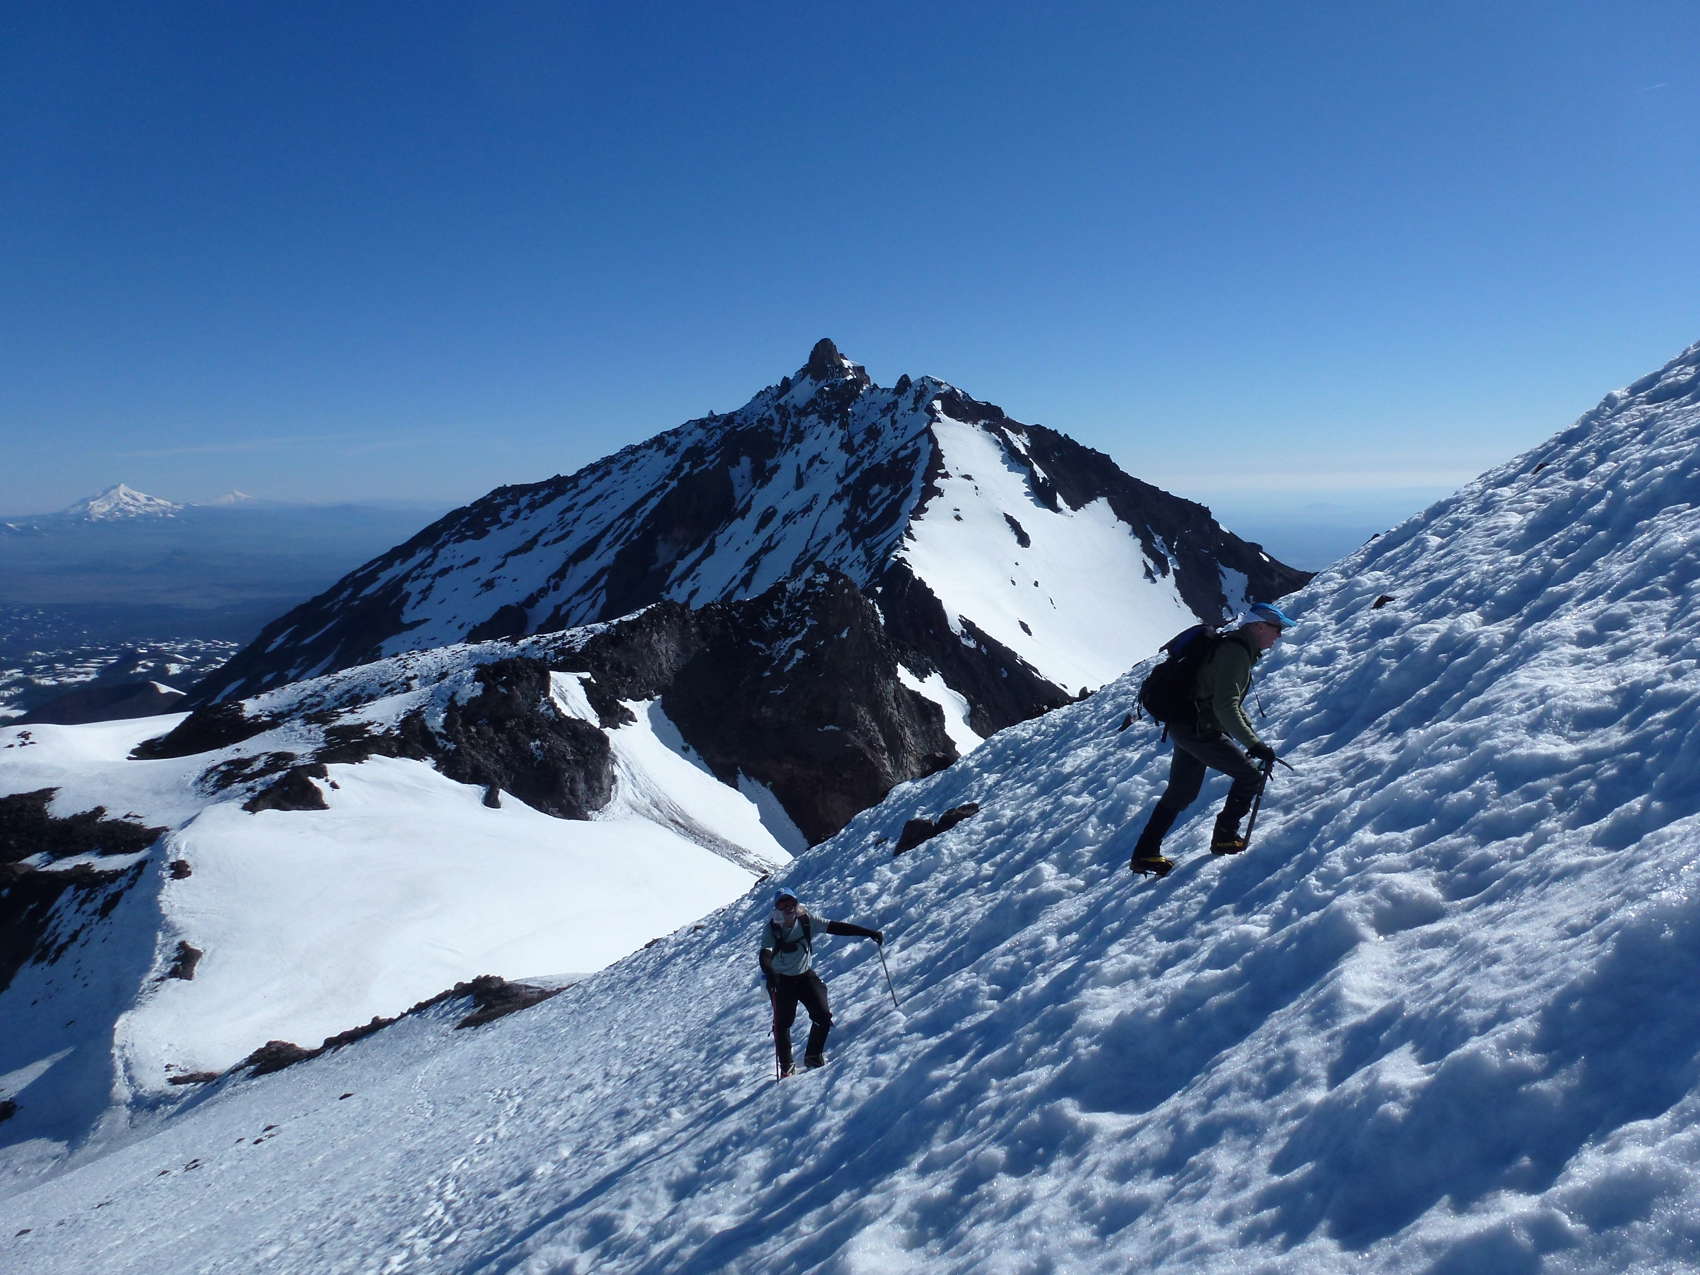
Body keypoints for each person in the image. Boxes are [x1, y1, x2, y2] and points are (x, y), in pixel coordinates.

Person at [1129, 602, 1294, 877]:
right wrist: (1253, 744)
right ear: (1258, 626)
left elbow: (1226, 703)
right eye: (1276, 629)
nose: (1279, 635)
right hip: (1199, 729)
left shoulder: (1234, 646)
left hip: (1185, 724)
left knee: (1182, 792)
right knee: (1249, 777)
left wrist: (1251, 738)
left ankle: (1145, 853)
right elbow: (1225, 706)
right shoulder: (1236, 652)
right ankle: (1225, 838)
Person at [759, 887, 884, 1076]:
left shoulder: (807, 920)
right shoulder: (772, 929)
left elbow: (835, 927)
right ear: (776, 908)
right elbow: (765, 953)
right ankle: (787, 1066)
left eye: (790, 902)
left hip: (804, 975)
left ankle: (813, 1055)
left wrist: (868, 932)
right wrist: (771, 973)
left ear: (796, 903)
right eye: (782, 904)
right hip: (781, 981)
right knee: (783, 1024)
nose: (787, 907)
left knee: (823, 1016)